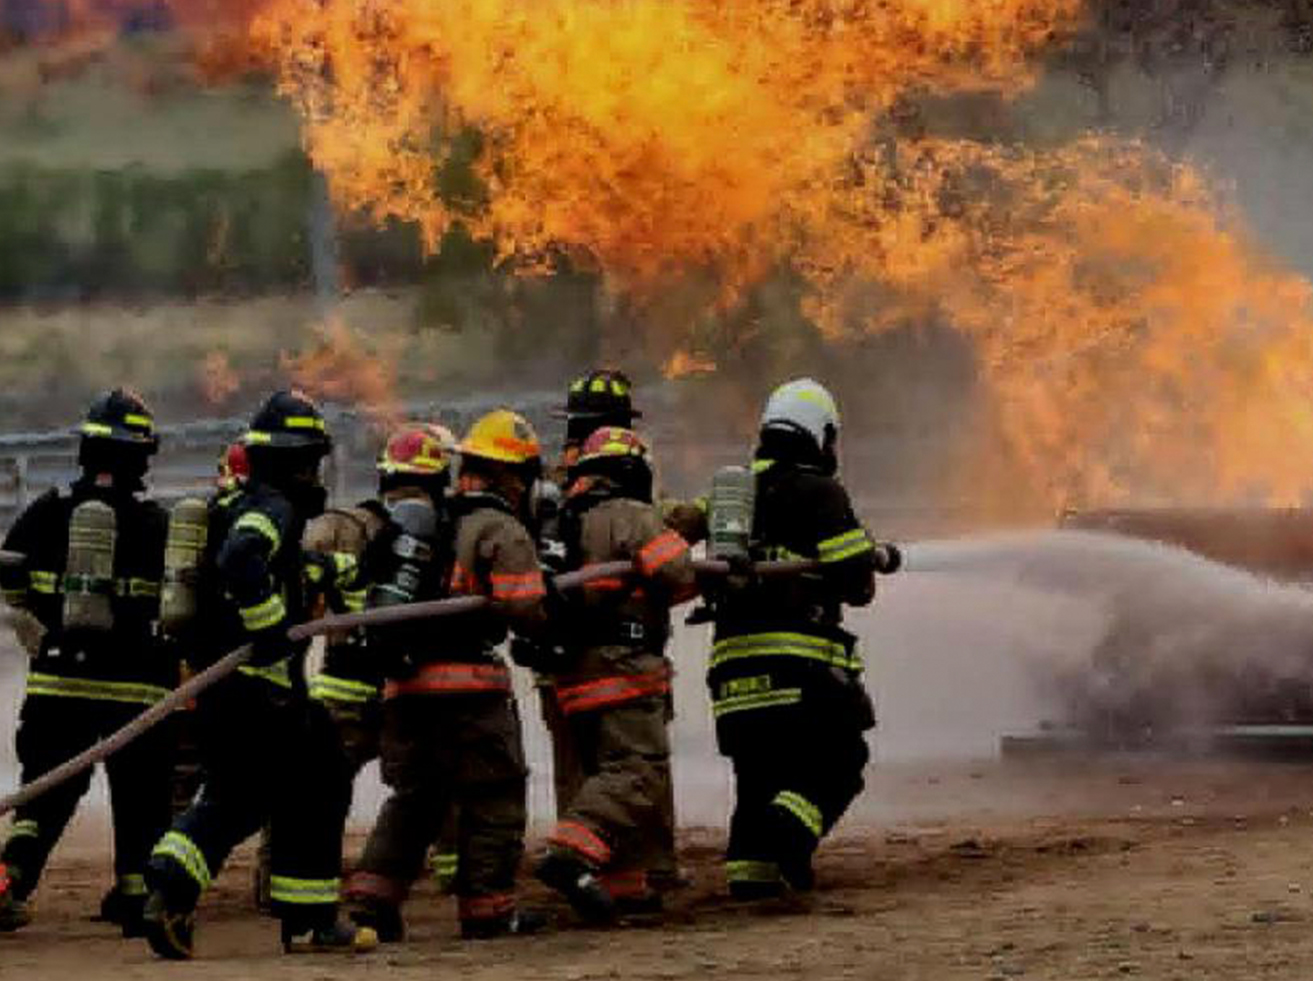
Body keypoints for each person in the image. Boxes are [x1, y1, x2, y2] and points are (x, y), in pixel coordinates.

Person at [141, 390, 375, 958]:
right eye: (312, 460)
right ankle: (312, 919)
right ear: (299, 461)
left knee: (237, 796)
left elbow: (274, 564)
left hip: (225, 690)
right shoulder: (273, 506)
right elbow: (242, 560)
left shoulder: (238, 503)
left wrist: (325, 570)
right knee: (320, 777)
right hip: (263, 690)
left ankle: (172, 881)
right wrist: (269, 628)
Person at [347, 409, 550, 942]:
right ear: (510, 475)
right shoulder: (497, 526)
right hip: (469, 690)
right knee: (495, 795)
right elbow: (524, 606)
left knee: (416, 797)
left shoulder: (429, 521)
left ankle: (373, 897)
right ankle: (488, 909)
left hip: (406, 686)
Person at [706, 379, 898, 900]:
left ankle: (751, 871)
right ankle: (787, 838)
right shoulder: (818, 491)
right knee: (839, 759)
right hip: (798, 666)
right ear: (821, 435)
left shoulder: (737, 496)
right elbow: (856, 581)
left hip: (732, 674)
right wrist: (870, 556)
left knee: (760, 776)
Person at [0, 390, 174, 936]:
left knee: (44, 795)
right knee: (141, 796)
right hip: (135, 689)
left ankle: (11, 880)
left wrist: (32, 622)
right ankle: (135, 900)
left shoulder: (47, 510)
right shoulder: (155, 523)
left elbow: (9, 570)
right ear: (143, 456)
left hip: (58, 680)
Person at [530, 427, 697, 923]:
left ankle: (623, 887)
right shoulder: (630, 514)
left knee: (600, 774)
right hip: (623, 671)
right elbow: (679, 575)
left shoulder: (561, 520)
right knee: (636, 772)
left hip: (571, 675)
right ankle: (569, 853)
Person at [303, 422, 462, 901]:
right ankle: (454, 874)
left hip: (343, 687)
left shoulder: (341, 525)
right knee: (432, 785)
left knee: (315, 791)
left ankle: (288, 881)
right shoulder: (446, 530)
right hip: (409, 687)